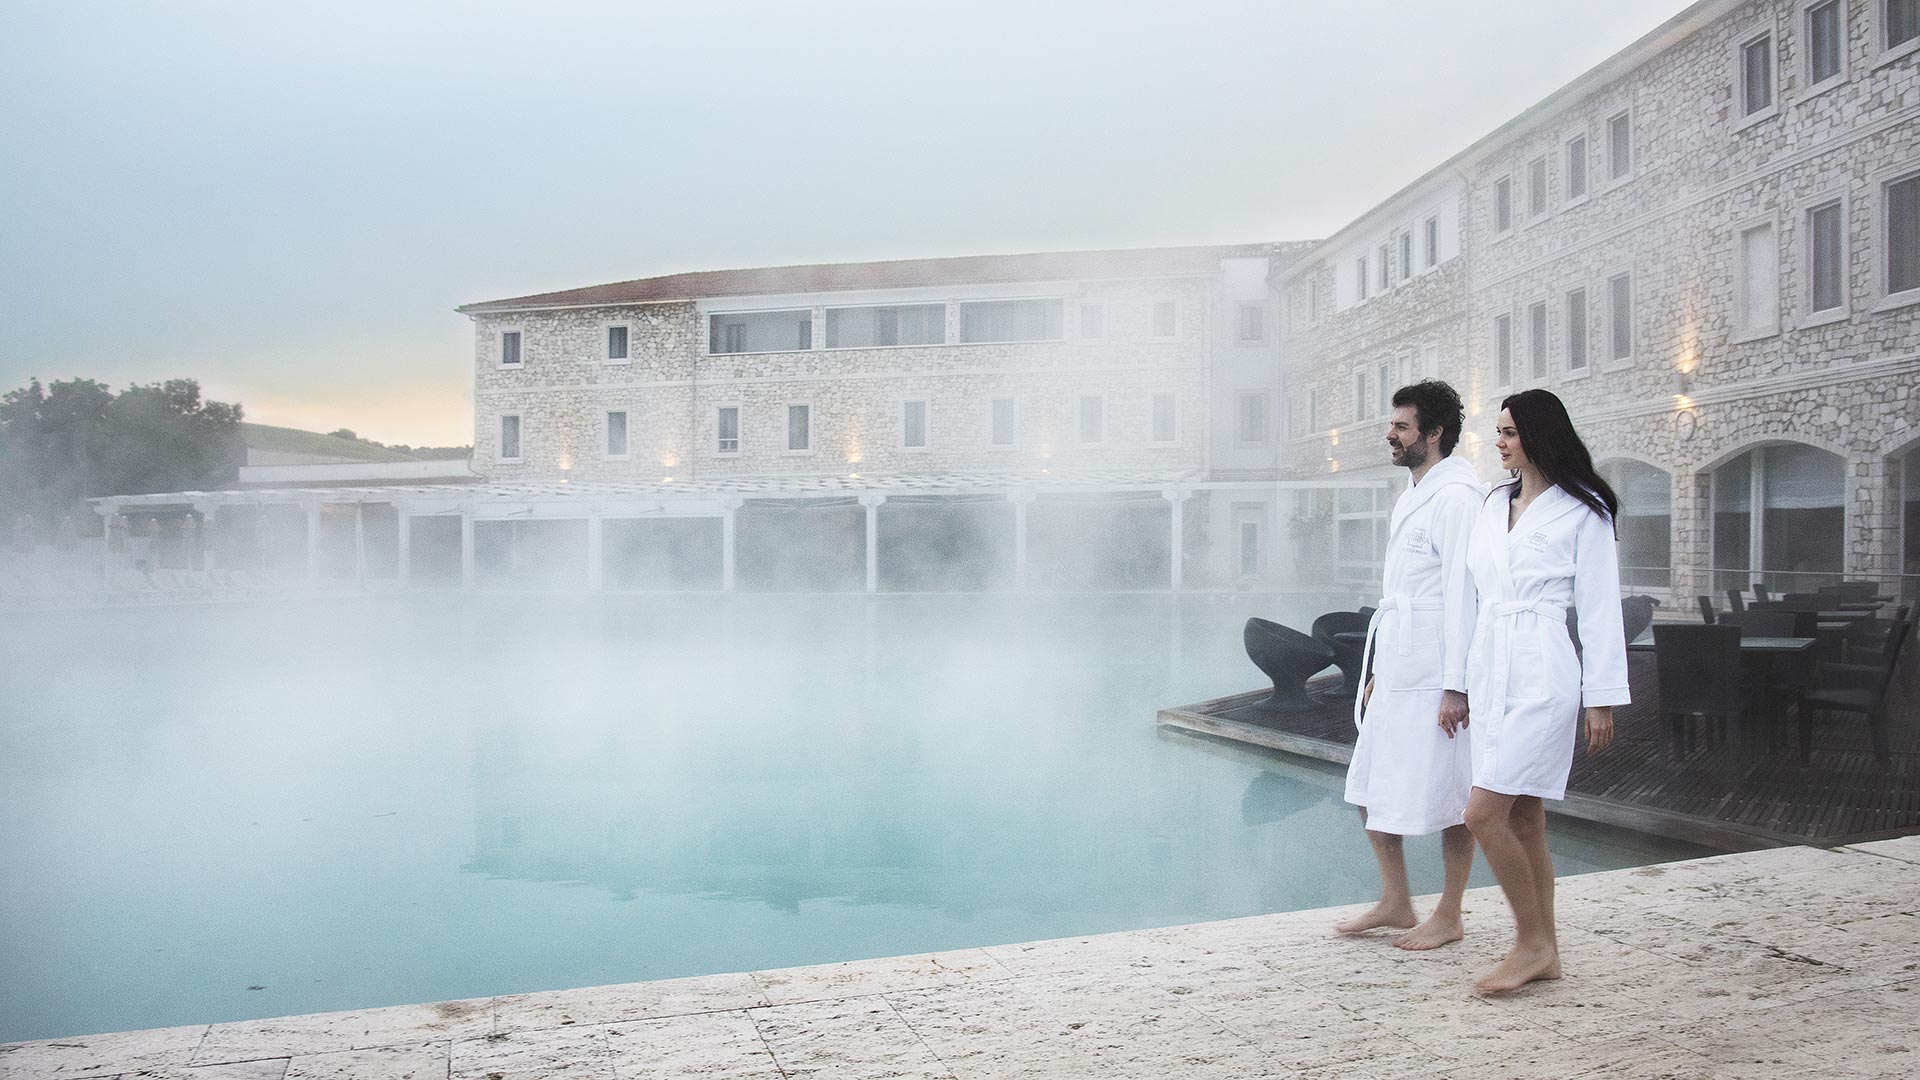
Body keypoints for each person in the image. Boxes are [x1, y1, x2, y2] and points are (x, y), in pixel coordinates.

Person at [1460, 388, 1629, 992]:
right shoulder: (1491, 504)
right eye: (1497, 431)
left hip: (1543, 667)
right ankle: (1546, 951)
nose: (1499, 441)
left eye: (1508, 431)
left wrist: (1601, 696)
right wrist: (1458, 682)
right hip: (1491, 662)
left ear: (1537, 434)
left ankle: (1529, 942)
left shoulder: (1584, 510)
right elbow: (1470, 595)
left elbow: (1601, 607)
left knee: (1482, 813)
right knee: (1525, 817)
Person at [1336, 381, 1485, 950]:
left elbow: (1462, 594)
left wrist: (1457, 686)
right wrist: (1379, 671)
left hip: (1437, 671)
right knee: (1370, 785)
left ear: (1434, 434)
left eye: (1401, 426)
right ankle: (1397, 901)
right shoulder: (1413, 493)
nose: (1390, 435)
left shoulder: (1457, 498)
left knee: (1451, 795)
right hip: (1399, 662)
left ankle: (1449, 912)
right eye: (1392, 425)